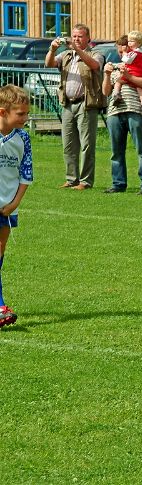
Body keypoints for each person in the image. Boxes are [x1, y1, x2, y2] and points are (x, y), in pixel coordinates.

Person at [45, 24, 105, 191]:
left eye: (79, 36)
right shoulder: (66, 55)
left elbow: (94, 65)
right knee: (68, 144)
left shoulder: (96, 53)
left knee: (86, 144)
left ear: (88, 39)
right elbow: (49, 63)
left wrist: (77, 50)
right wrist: (52, 49)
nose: (76, 39)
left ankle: (85, 181)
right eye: (74, 36)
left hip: (86, 104)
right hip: (68, 104)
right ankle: (71, 179)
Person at [101, 35, 142, 195]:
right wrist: (106, 74)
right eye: (118, 52)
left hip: (136, 109)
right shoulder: (117, 65)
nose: (120, 54)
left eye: (122, 50)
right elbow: (106, 91)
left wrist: (129, 77)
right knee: (116, 151)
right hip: (114, 111)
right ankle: (118, 183)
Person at [0, 85, 33, 328]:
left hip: (7, 207)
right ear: (3, 112)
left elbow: (26, 173)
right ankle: (1, 305)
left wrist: (14, 203)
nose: (25, 118)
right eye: (20, 114)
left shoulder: (22, 138)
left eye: (26, 113)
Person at [111, 30, 142, 110]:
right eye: (129, 41)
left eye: (131, 41)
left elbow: (126, 59)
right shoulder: (141, 53)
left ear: (138, 43)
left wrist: (124, 52)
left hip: (131, 73)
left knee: (118, 82)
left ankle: (117, 94)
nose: (129, 43)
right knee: (140, 89)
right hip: (140, 74)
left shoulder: (134, 53)